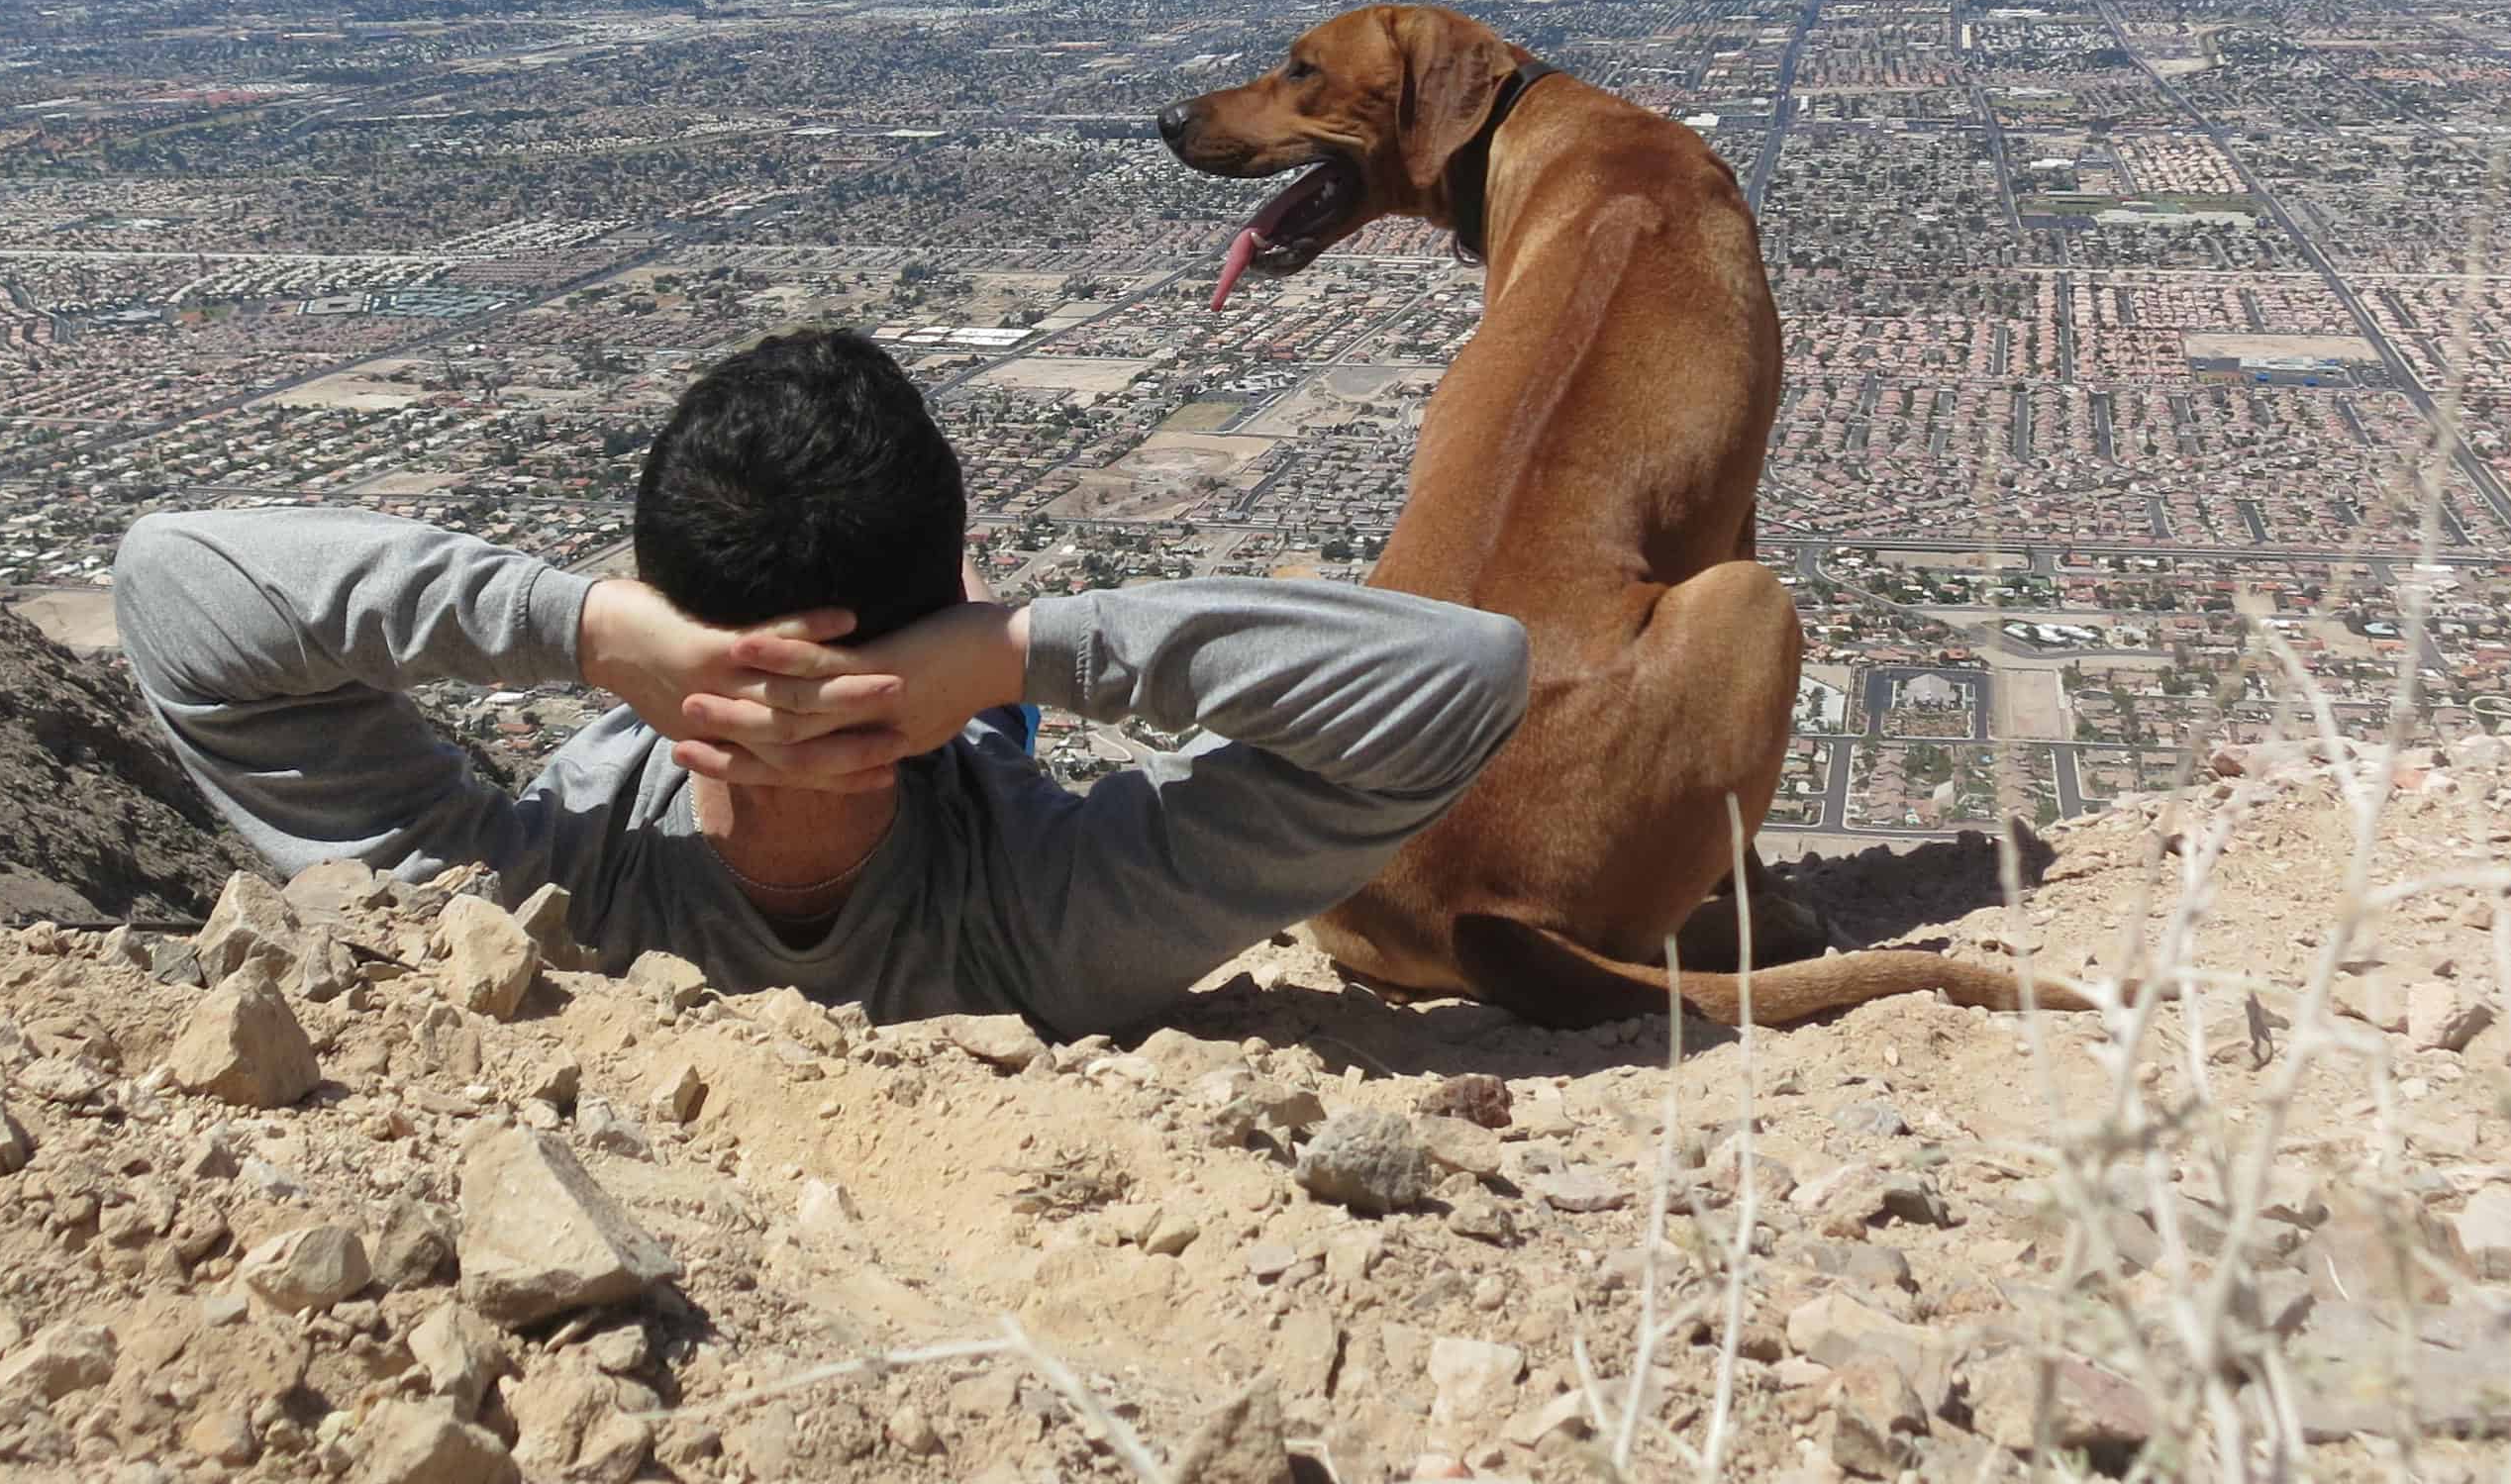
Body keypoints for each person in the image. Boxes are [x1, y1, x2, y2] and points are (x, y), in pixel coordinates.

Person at [110, 328, 1529, 1037]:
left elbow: (174, 582)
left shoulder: (531, 909)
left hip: (692, 744)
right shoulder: (1047, 926)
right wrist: (1007, 652)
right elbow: (1467, 674)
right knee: (1015, 747)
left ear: (669, 614)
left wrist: (589, 629)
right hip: (970, 779)